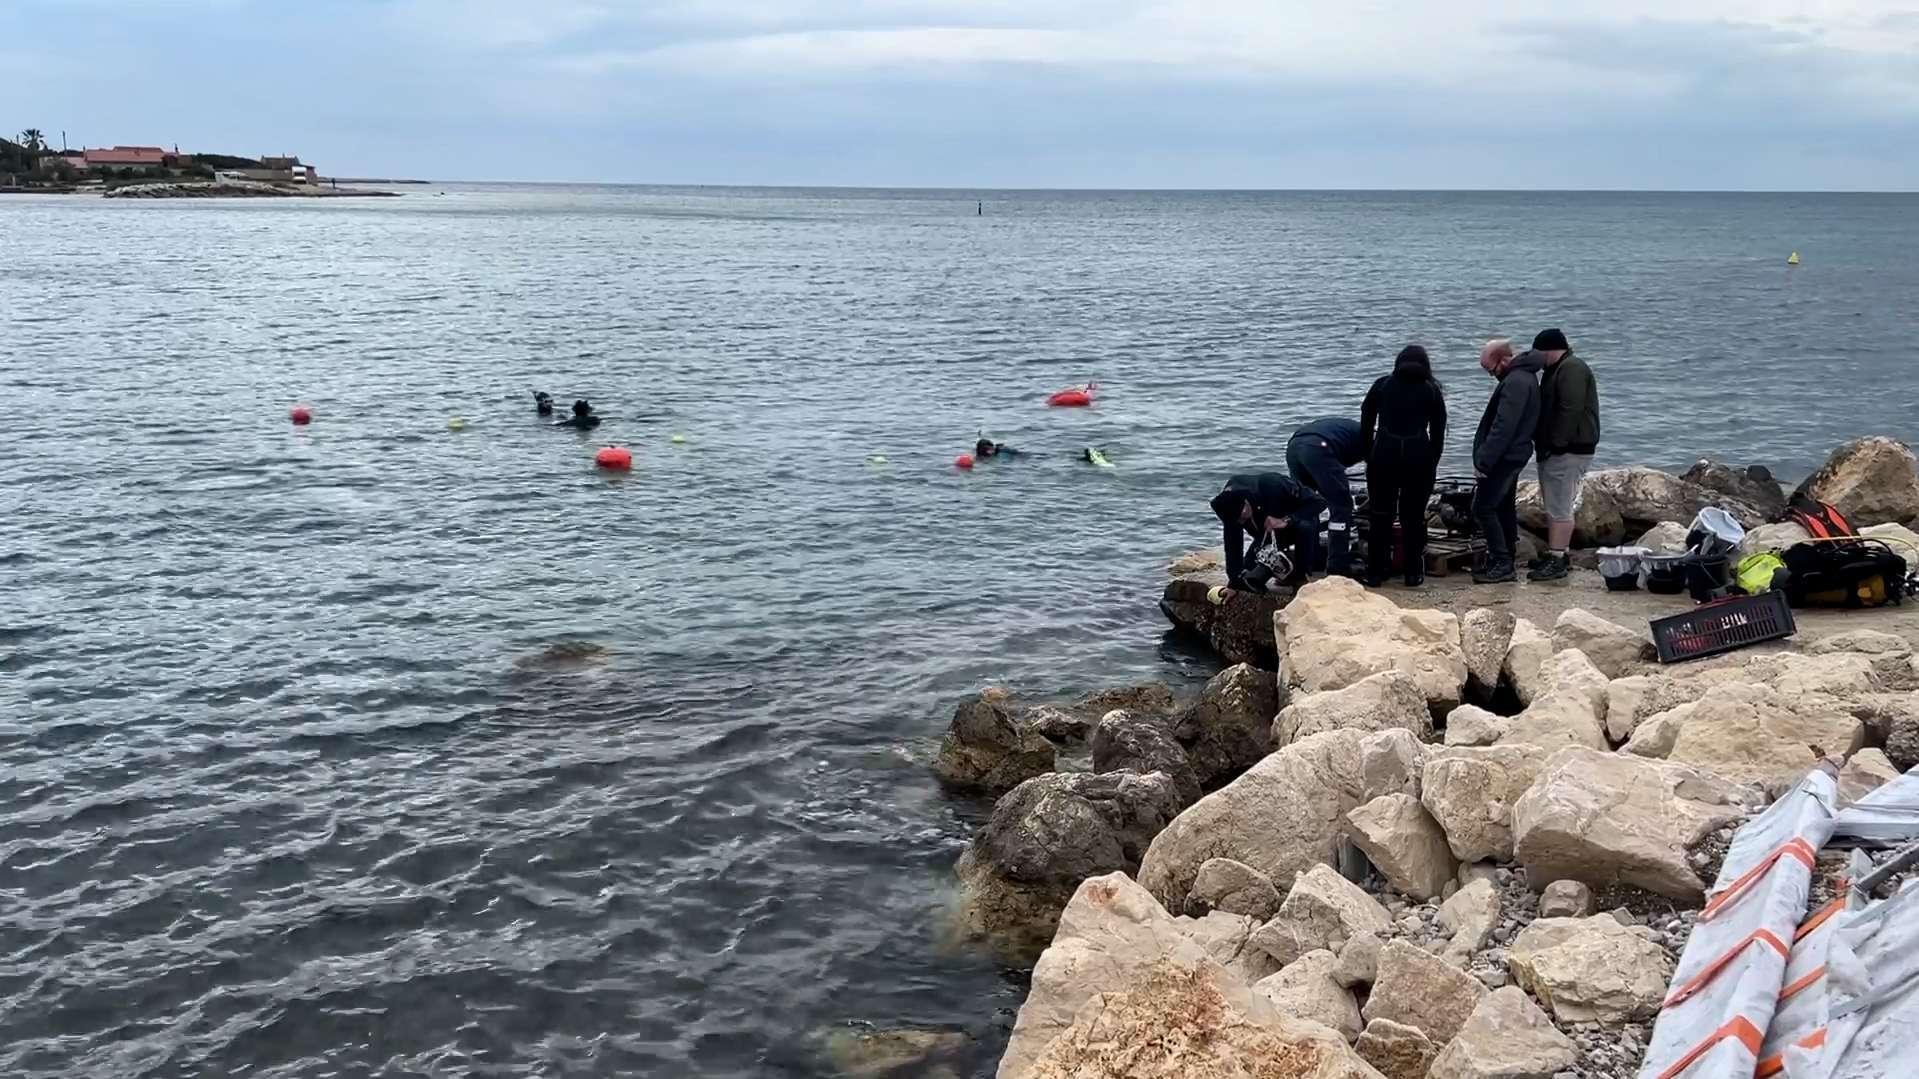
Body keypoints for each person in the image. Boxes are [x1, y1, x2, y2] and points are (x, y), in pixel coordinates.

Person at [1360, 345, 1448, 588]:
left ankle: (1376, 572)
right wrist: (1433, 461)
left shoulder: (1382, 385)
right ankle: (1412, 573)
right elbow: (1438, 432)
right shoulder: (1431, 390)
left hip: (1384, 455)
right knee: (1413, 518)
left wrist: (1368, 452)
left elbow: (1366, 418)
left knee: (1380, 515)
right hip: (1418, 456)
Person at [1528, 328, 1601, 581]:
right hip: (1559, 449)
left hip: (1569, 449)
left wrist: (1557, 443)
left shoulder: (1572, 369)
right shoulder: (1557, 369)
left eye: (1538, 353)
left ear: (1548, 349)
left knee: (1560, 506)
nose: (1536, 359)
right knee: (1554, 504)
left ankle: (1558, 558)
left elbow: (1570, 409)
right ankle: (1557, 553)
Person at [1470, 339, 1544, 583]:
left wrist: (1484, 461)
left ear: (1503, 359)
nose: (1492, 376)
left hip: (1506, 456)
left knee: (1482, 507)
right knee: (1502, 506)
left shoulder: (1515, 382)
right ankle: (1506, 557)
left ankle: (1502, 561)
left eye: (1492, 370)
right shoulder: (1524, 377)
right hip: (1514, 454)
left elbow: (1504, 426)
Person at [1211, 473, 1325, 592]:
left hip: (1298, 524)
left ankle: (1300, 577)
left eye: (1242, 518)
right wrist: (1233, 583)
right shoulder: (1227, 504)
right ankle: (1286, 570)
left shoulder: (1273, 485)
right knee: (1248, 576)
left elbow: (1319, 502)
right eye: (1238, 521)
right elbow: (1232, 544)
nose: (1242, 522)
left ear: (1246, 503)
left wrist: (1286, 520)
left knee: (1304, 527)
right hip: (1267, 533)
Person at [1285, 417, 1365, 577]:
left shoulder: (1352, 430)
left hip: (1294, 447)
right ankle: (1338, 565)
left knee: (1307, 505)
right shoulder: (1371, 439)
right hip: (1318, 448)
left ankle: (1310, 560)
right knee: (1341, 506)